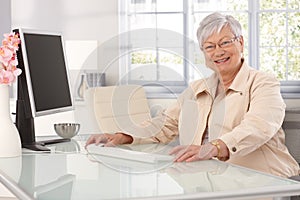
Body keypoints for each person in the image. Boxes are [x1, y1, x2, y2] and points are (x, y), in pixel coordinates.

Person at [86, 12, 300, 178]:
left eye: (225, 42)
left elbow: (259, 126)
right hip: (207, 179)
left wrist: (214, 148)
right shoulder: (197, 88)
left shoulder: (264, 82)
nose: (218, 51)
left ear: (240, 43)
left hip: (262, 181)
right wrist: (124, 135)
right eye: (209, 46)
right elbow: (166, 124)